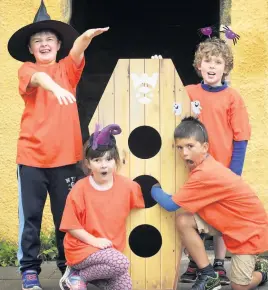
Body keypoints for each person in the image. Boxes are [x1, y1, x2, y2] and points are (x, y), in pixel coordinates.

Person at [7, 1, 109, 289]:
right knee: (31, 218)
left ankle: (70, 268)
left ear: (58, 44)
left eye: (49, 39)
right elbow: (38, 78)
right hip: (32, 159)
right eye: (37, 41)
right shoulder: (27, 70)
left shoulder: (68, 68)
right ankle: (29, 271)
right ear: (30, 48)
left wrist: (86, 37)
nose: (43, 44)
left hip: (67, 159)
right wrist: (54, 88)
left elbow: (77, 49)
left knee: (68, 218)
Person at [151, 116, 268, 290]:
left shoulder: (205, 173)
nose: (184, 153)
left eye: (190, 146)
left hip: (248, 232)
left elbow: (170, 205)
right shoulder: (203, 165)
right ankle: (208, 274)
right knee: (184, 221)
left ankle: (262, 270)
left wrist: (152, 187)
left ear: (205, 147)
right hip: (226, 223)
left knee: (239, 287)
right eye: (180, 147)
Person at [180, 37, 251, 285]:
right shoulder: (188, 92)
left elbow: (241, 138)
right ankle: (197, 263)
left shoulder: (232, 97)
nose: (212, 66)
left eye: (218, 62)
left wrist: (234, 174)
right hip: (193, 169)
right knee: (191, 214)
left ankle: (219, 263)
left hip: (222, 171)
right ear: (199, 65)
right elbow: (164, 104)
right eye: (207, 60)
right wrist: (158, 69)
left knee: (222, 217)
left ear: (226, 67)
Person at [59, 124, 145, 290]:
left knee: (124, 285)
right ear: (88, 164)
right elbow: (70, 226)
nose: (103, 165)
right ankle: (76, 276)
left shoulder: (129, 187)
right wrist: (95, 241)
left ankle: (81, 277)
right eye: (97, 160)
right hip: (82, 248)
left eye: (108, 159)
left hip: (109, 253)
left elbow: (144, 205)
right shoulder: (80, 188)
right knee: (121, 263)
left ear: (116, 161)